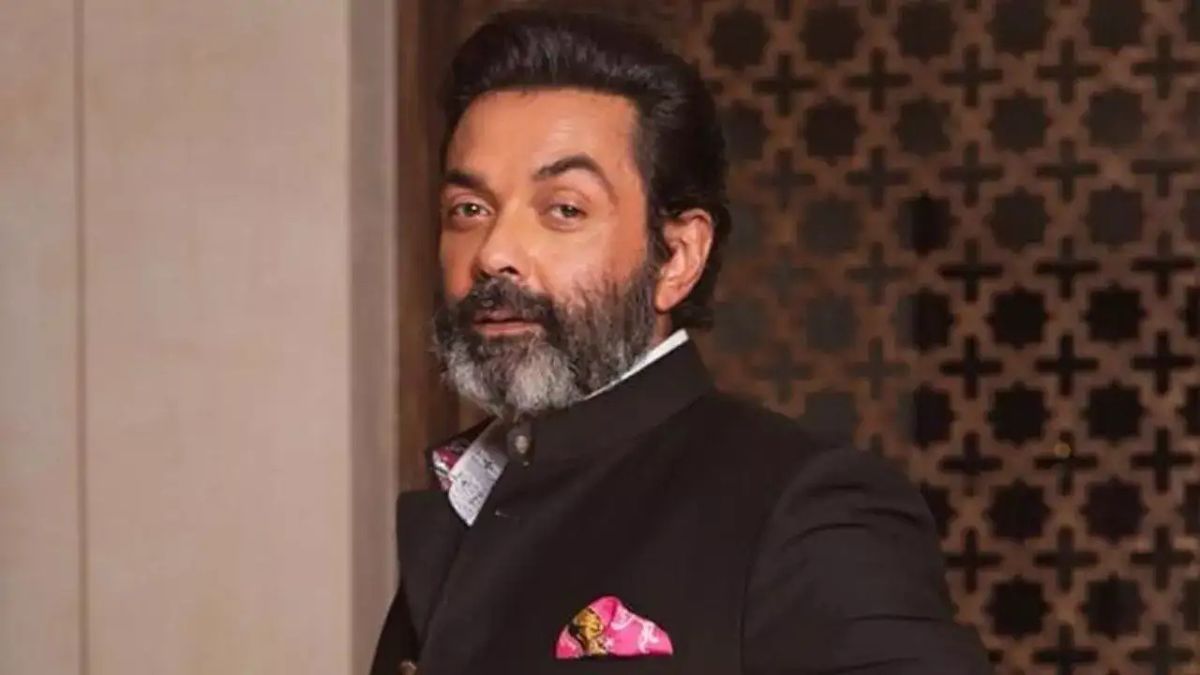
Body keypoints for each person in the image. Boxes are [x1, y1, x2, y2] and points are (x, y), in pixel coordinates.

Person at [372, 9, 990, 674]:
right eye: (469, 210)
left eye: (564, 209)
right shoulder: (466, 498)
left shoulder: (801, 506)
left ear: (676, 257)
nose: (494, 251)